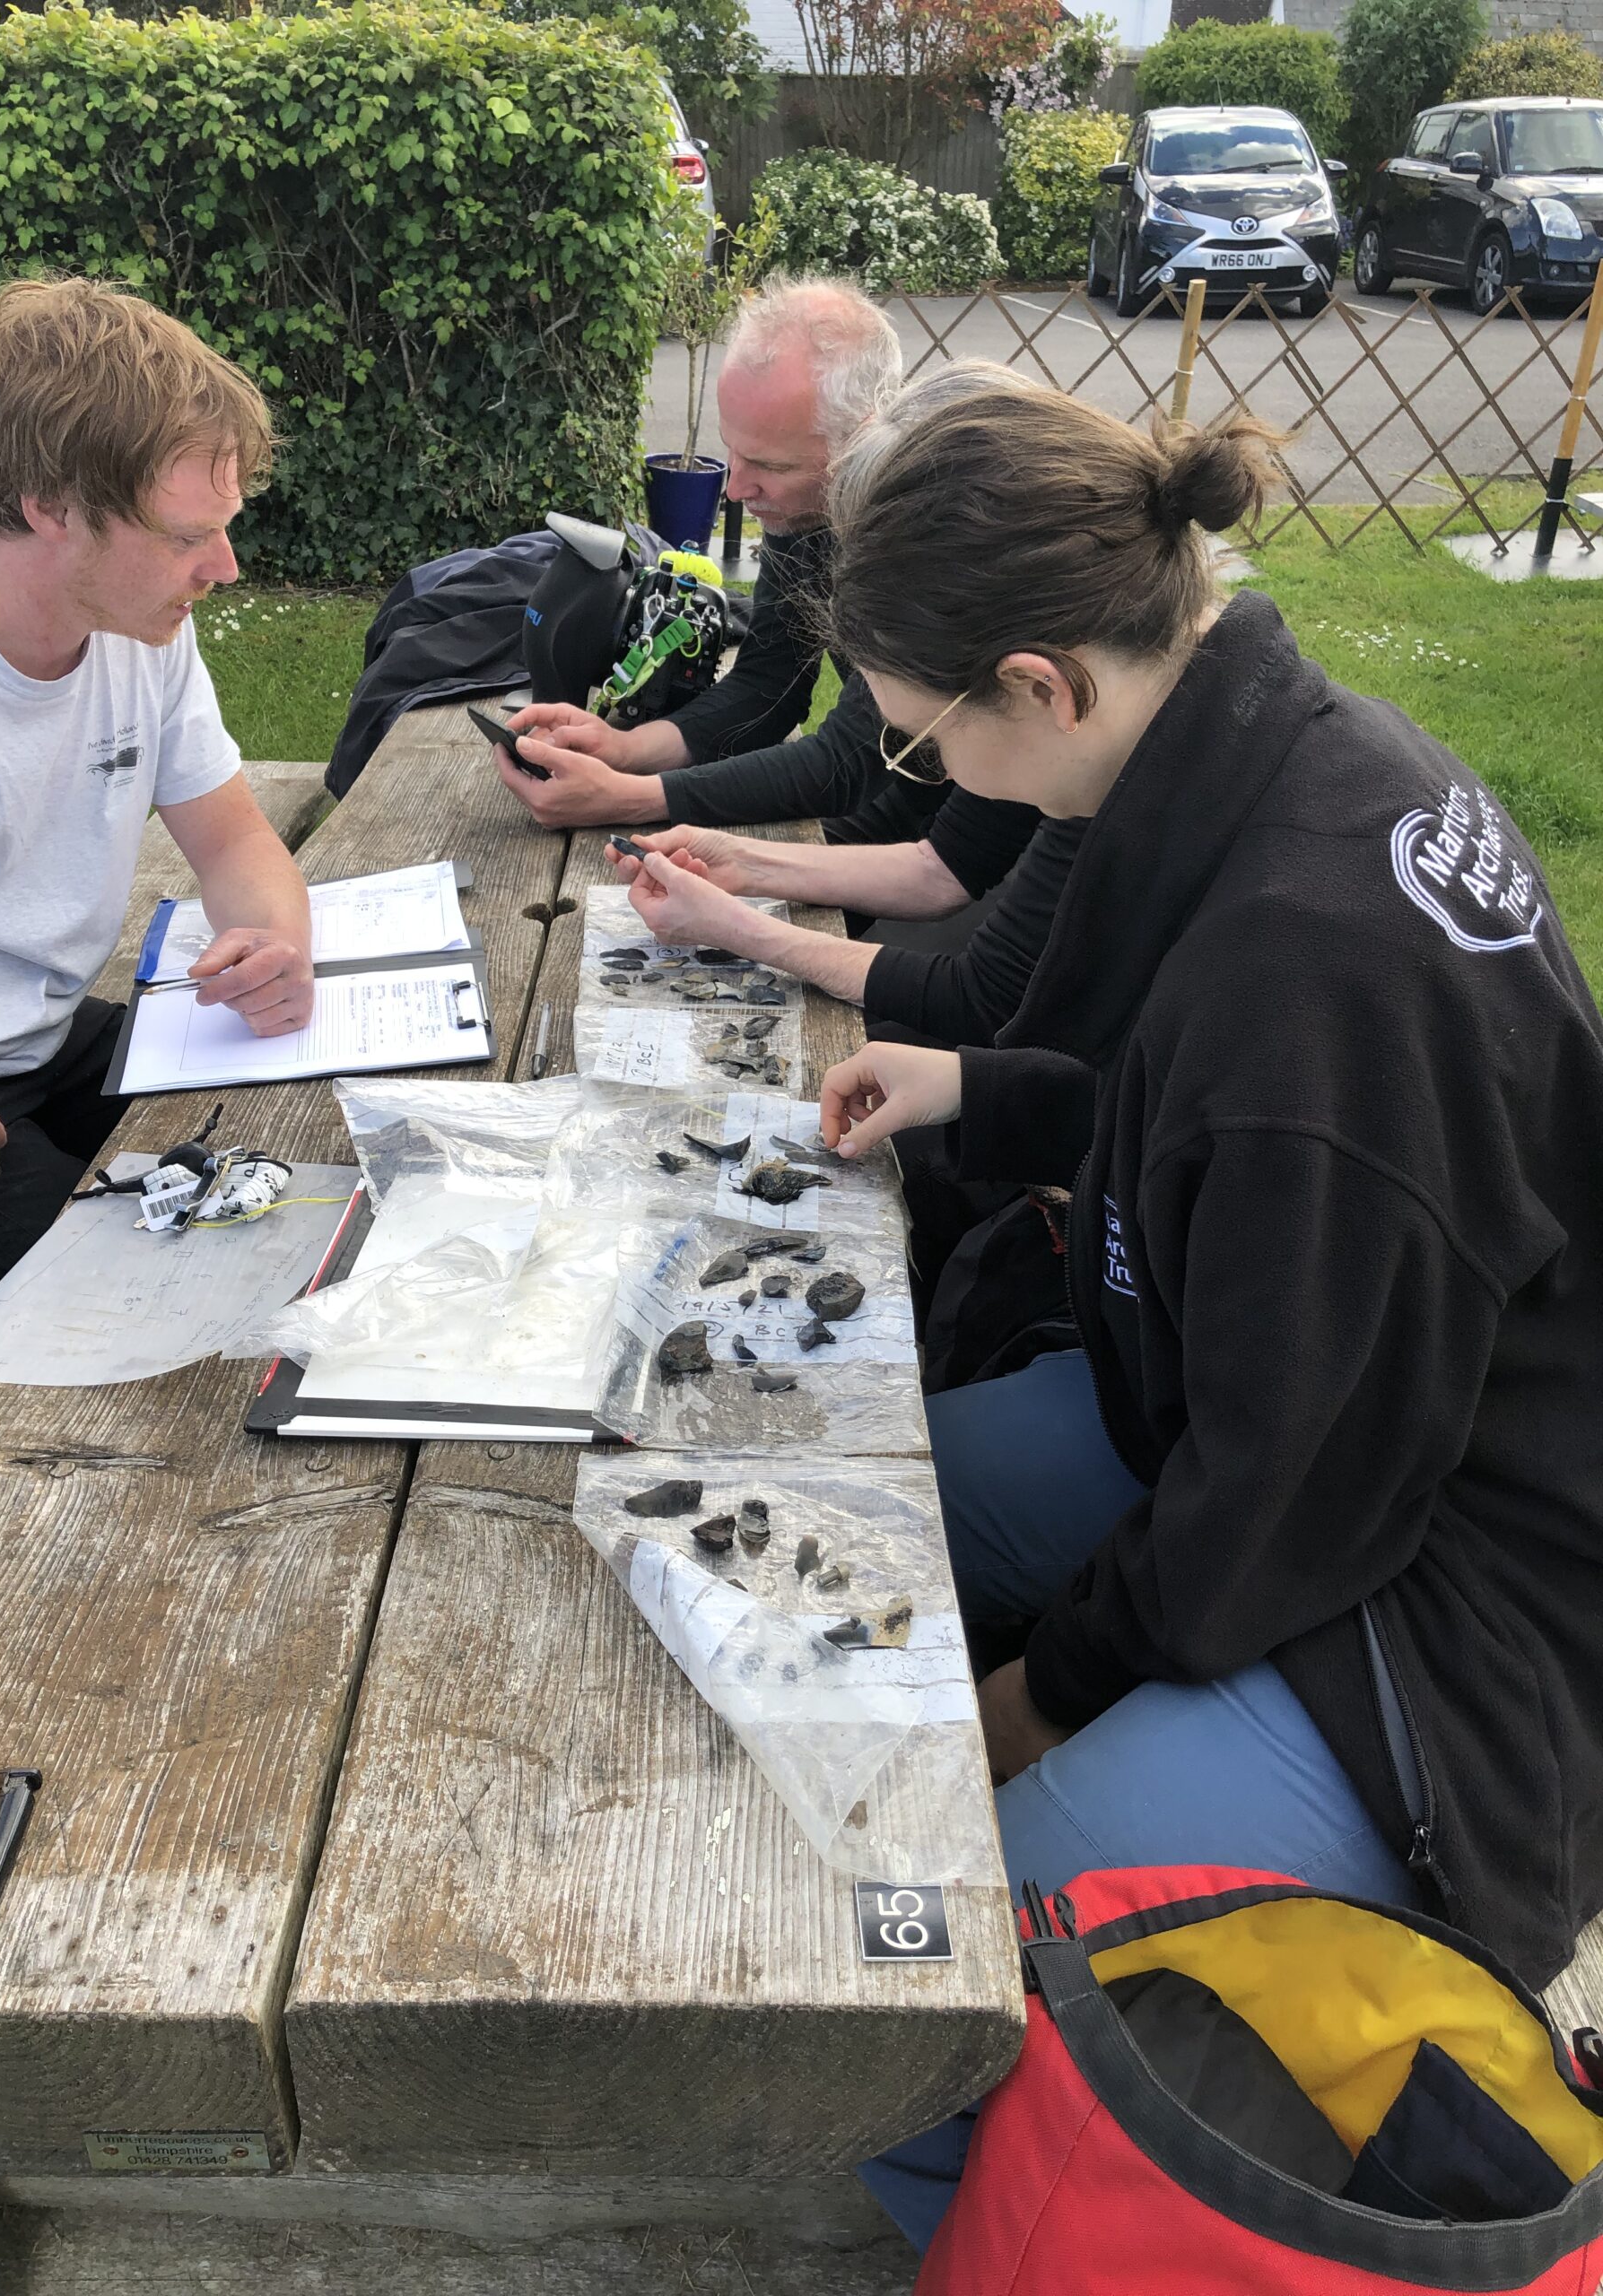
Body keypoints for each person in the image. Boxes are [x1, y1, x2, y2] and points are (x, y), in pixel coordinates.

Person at [791, 379, 1599, 2254]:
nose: (928, 782)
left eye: (922, 745)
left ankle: (1011, 2217)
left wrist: (1037, 1699)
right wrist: (983, 1090)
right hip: (1290, 1401)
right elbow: (1239, 1166)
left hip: (1452, 1613)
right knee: (875, 1480)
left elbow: (1294, 1484)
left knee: (924, 1974)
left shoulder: (1305, 963)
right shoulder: (1282, 762)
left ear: (1039, 686)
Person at [0, 277, 314, 1464]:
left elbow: (234, 841)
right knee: (141, 1329)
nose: (223, 568)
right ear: (50, 509)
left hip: (38, 1035)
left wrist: (277, 939)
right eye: (187, 536)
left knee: (291, 1189)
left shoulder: (141, 638)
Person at [488, 294, 1044, 918]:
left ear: (863, 439)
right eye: (734, 450)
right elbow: (768, 684)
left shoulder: (929, 531)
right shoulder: (801, 504)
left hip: (981, 855)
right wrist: (624, 751)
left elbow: (854, 759)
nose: (736, 487)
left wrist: (629, 795)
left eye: (769, 465)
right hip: (908, 827)